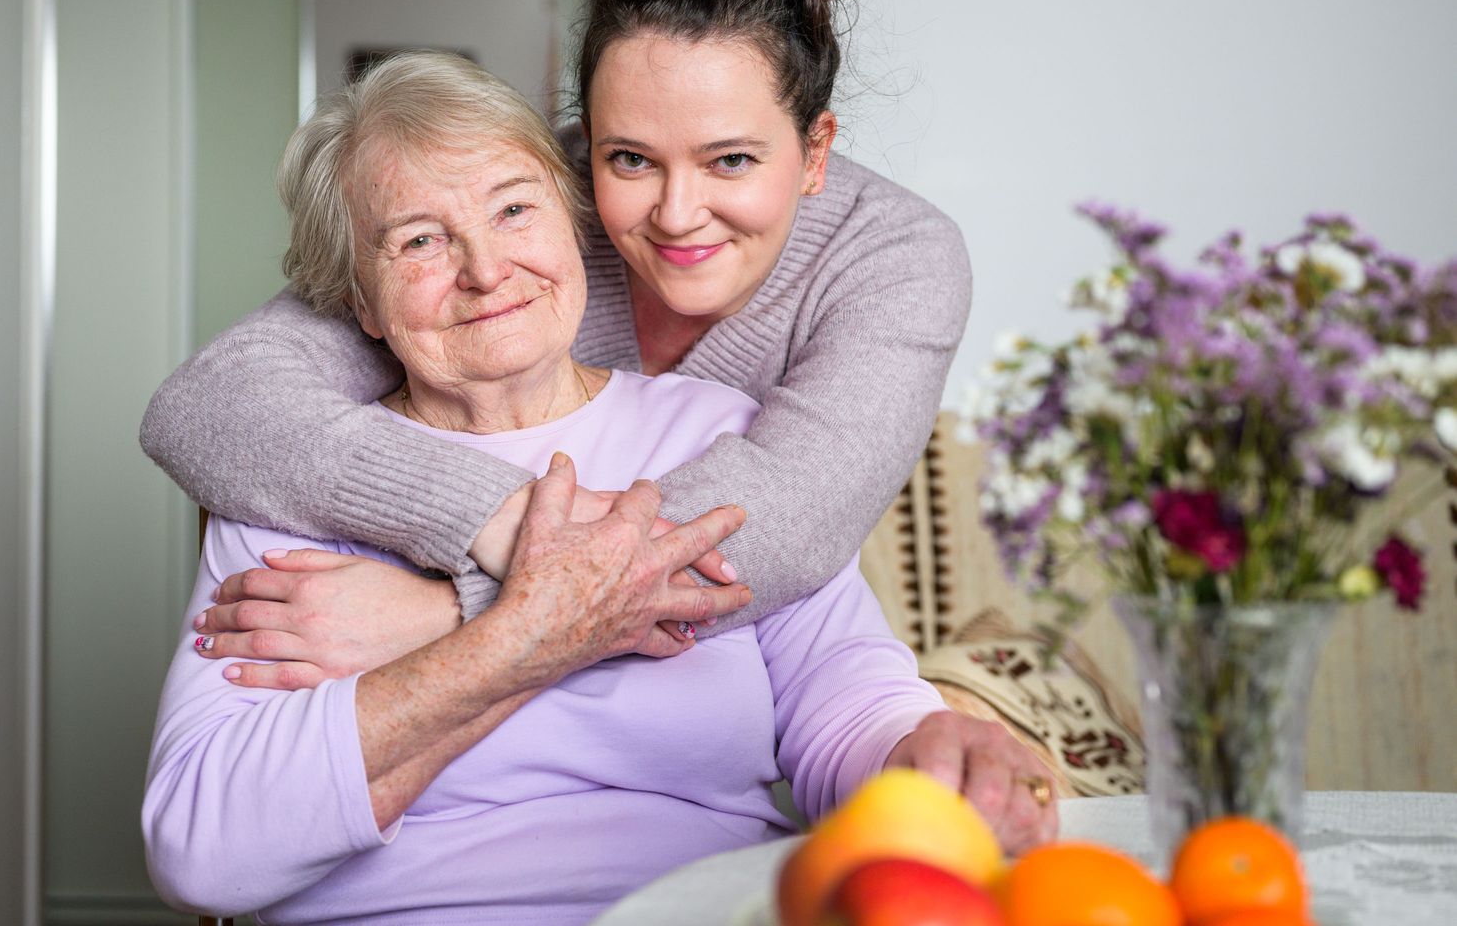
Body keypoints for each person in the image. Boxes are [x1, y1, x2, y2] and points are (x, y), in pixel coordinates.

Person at [143, 52, 1054, 924]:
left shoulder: (713, 438)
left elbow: (842, 693)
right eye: (421, 240)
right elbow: (203, 849)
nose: (487, 270)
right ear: (361, 303)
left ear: (572, 223)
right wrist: (531, 636)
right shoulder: (297, 477)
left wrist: (921, 748)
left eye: (514, 211)